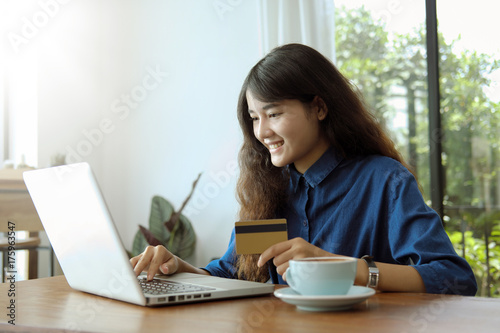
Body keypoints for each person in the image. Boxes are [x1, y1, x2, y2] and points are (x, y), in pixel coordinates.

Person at [130, 43, 477, 296]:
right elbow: (231, 273)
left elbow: (454, 278)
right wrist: (175, 268)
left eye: (274, 114)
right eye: (254, 118)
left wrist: (340, 266)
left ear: (320, 108)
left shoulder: (384, 180)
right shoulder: (270, 189)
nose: (262, 132)